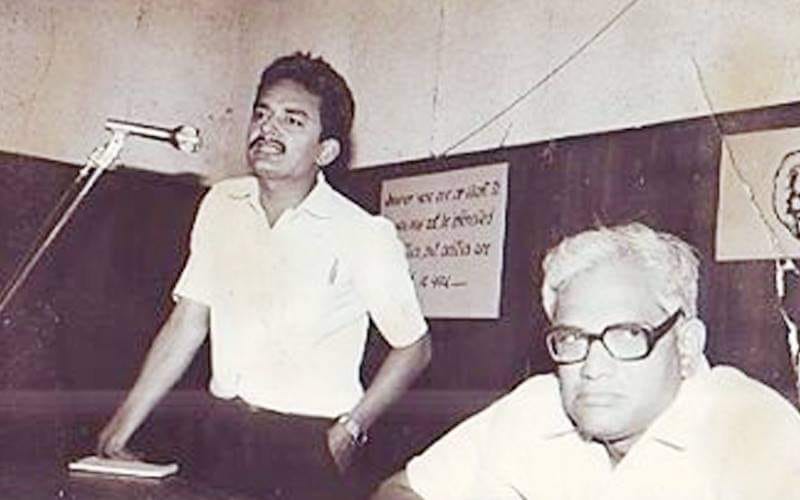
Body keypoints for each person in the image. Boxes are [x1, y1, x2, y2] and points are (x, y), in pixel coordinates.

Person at [96, 52, 431, 499]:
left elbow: (415, 347)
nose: (267, 129)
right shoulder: (221, 204)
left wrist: (350, 430)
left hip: (307, 447)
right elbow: (188, 322)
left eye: (292, 120)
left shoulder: (363, 233)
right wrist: (122, 424)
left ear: (326, 151)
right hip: (218, 434)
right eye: (261, 114)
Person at [373, 222, 800, 500]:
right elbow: (401, 490)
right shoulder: (536, 404)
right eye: (572, 338)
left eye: (627, 334)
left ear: (686, 344)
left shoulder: (755, 431)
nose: (593, 368)